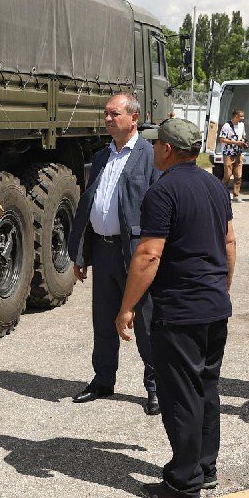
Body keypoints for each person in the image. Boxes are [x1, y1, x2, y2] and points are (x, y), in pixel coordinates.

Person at [116, 117, 235, 498]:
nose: (151, 150)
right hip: (213, 305)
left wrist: (127, 306)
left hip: (180, 309)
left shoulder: (162, 191)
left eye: (155, 145)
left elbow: (149, 254)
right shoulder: (215, 185)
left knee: (181, 392)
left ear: (167, 149)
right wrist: (222, 287)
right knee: (206, 386)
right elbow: (229, 242)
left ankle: (183, 482)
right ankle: (205, 466)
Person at [68, 93, 161, 415]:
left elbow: (160, 208)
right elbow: (89, 206)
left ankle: (156, 387)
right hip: (104, 252)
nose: (108, 119)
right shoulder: (101, 157)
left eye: (115, 114)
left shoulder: (150, 156)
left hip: (135, 253)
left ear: (134, 118)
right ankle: (103, 379)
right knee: (104, 320)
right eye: (106, 114)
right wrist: (82, 253)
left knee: (146, 322)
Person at [217, 110, 247, 200]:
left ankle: (236, 195)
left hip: (238, 153)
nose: (242, 118)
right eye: (240, 116)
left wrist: (244, 141)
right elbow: (221, 139)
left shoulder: (242, 125)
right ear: (235, 116)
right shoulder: (226, 126)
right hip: (228, 153)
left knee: (238, 175)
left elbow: (244, 136)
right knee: (228, 175)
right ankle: (222, 193)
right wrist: (235, 142)